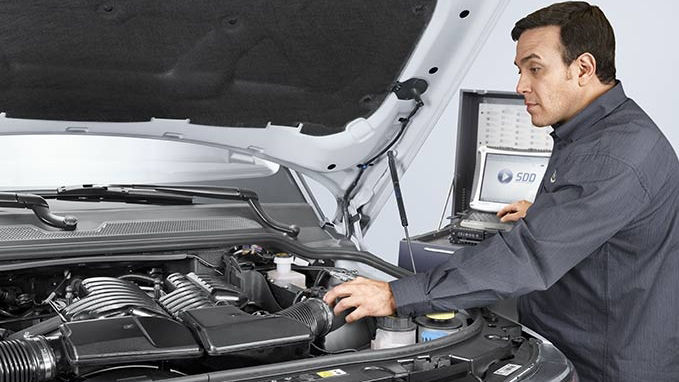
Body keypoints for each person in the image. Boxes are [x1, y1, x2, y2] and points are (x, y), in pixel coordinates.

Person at [323, 2, 679, 381]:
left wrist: (397, 295)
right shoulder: (603, 130)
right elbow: (598, 216)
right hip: (580, 342)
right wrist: (550, 211)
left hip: (604, 364)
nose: (521, 85)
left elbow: (527, 258)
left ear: (583, 68)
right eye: (520, 70)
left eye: (535, 69)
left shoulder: (615, 157)